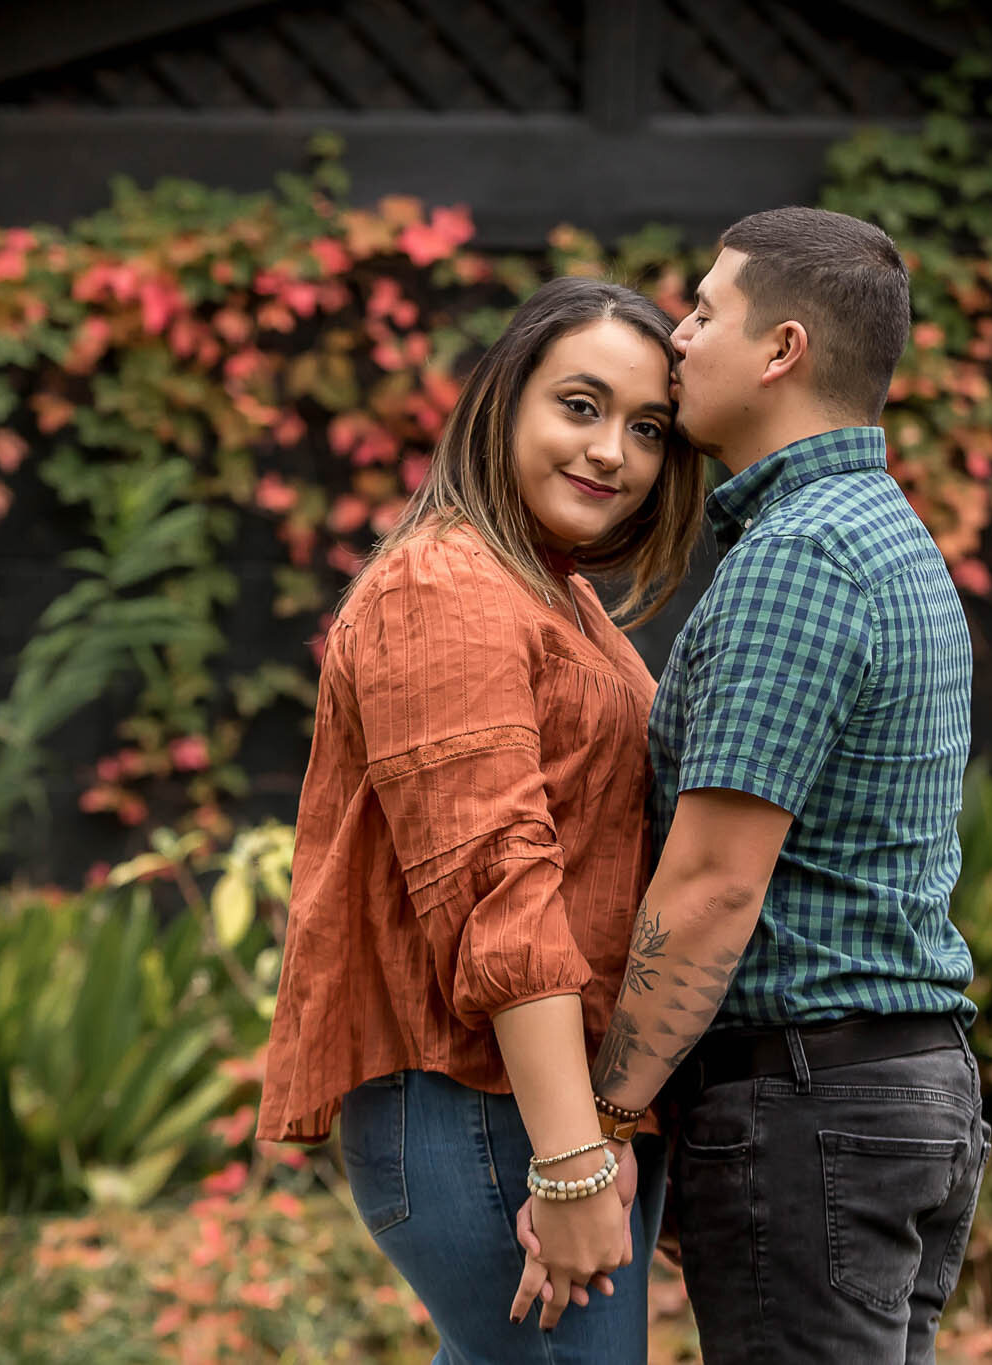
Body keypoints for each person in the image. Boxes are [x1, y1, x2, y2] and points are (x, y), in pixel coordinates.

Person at [256, 275, 707, 1361]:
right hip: (479, 1098)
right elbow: (494, 887)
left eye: (647, 428)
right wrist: (568, 1158)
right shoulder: (444, 588)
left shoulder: (558, 598)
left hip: (550, 1101)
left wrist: (610, 1127)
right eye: (580, 406)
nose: (612, 453)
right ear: (500, 402)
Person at [582, 206, 989, 1363]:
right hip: (894, 1092)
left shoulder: (798, 558)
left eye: (704, 309)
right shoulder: (887, 535)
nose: (677, 335)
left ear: (781, 351)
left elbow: (713, 883)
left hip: (812, 1104)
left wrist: (609, 1121)